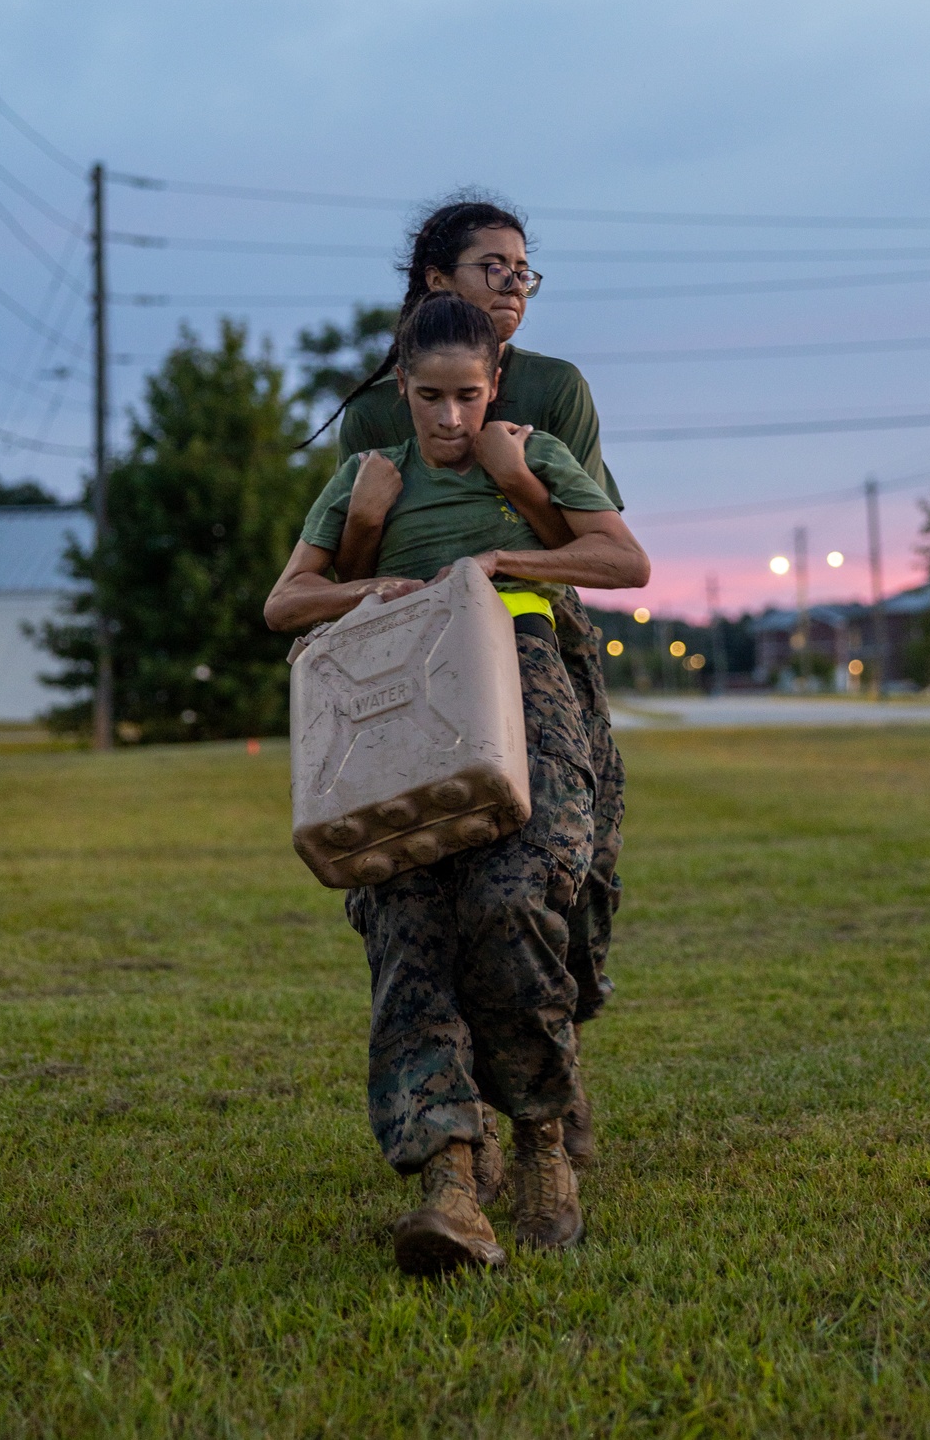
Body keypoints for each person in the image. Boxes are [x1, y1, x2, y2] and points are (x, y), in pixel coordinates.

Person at [267, 293, 649, 1274]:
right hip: (400, 688)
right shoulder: (369, 473)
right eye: (429, 397)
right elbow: (287, 601)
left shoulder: (525, 452)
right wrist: (367, 562)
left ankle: (540, 1138)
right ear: (401, 389)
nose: (448, 419)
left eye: (466, 397)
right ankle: (449, 1174)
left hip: (521, 668)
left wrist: (503, 531)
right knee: (404, 921)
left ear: (493, 390)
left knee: (516, 899)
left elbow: (621, 559)